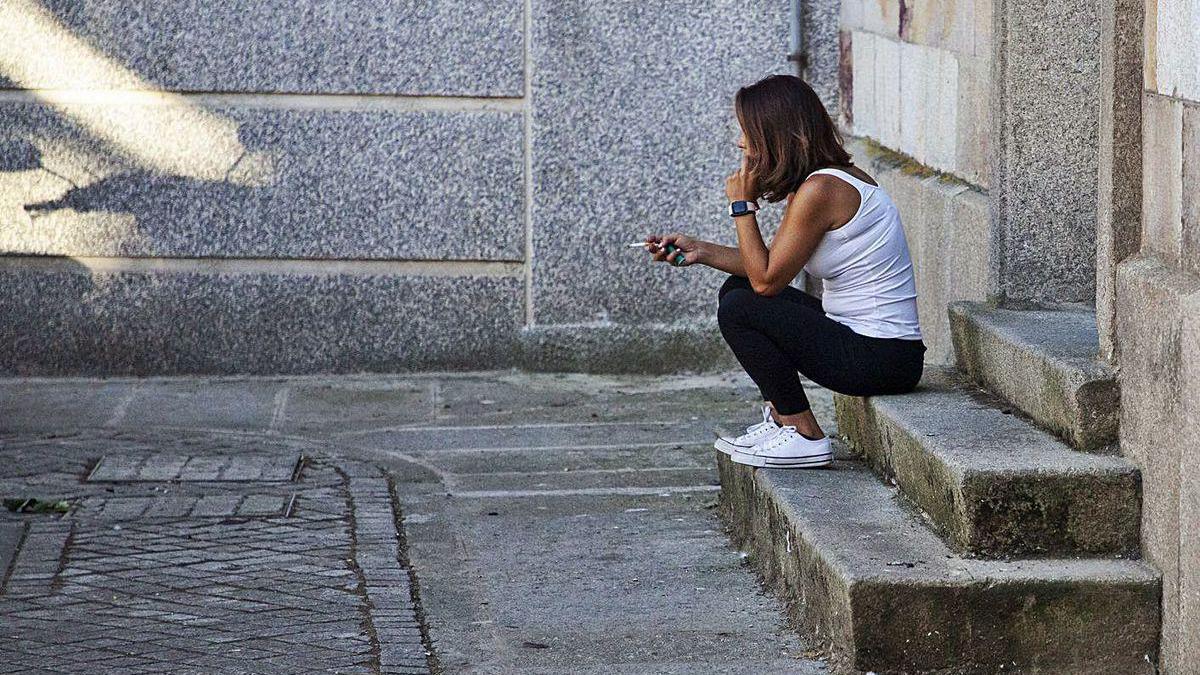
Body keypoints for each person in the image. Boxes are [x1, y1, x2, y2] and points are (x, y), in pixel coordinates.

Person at [641, 74, 925, 469]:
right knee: (735, 290)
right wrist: (700, 250)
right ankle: (782, 420)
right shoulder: (818, 184)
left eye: (747, 132)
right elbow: (769, 268)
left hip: (881, 358)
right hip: (871, 346)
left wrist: (741, 205)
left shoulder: (822, 191)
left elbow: (767, 281)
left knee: (740, 306)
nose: (740, 142)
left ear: (777, 134)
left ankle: (803, 432)